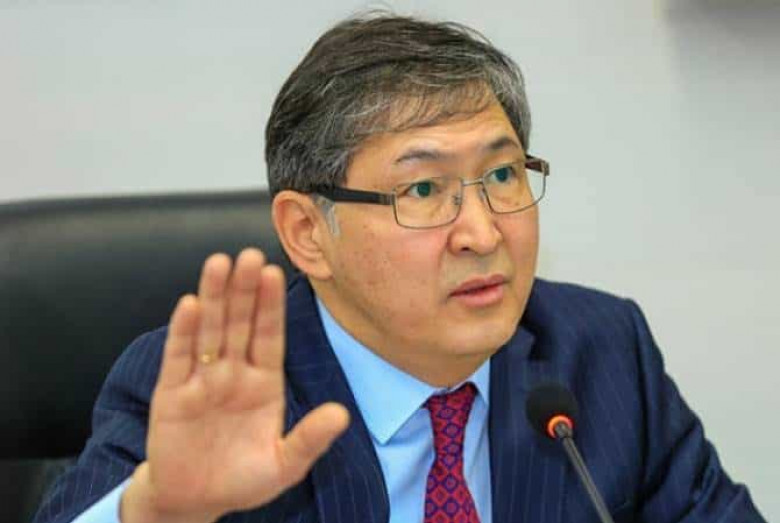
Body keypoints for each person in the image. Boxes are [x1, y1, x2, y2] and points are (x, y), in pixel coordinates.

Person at [34, 12, 765, 523]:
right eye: (422, 190)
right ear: (307, 233)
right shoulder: (208, 383)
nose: (482, 232)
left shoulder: (601, 349)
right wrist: (158, 512)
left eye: (503, 175)